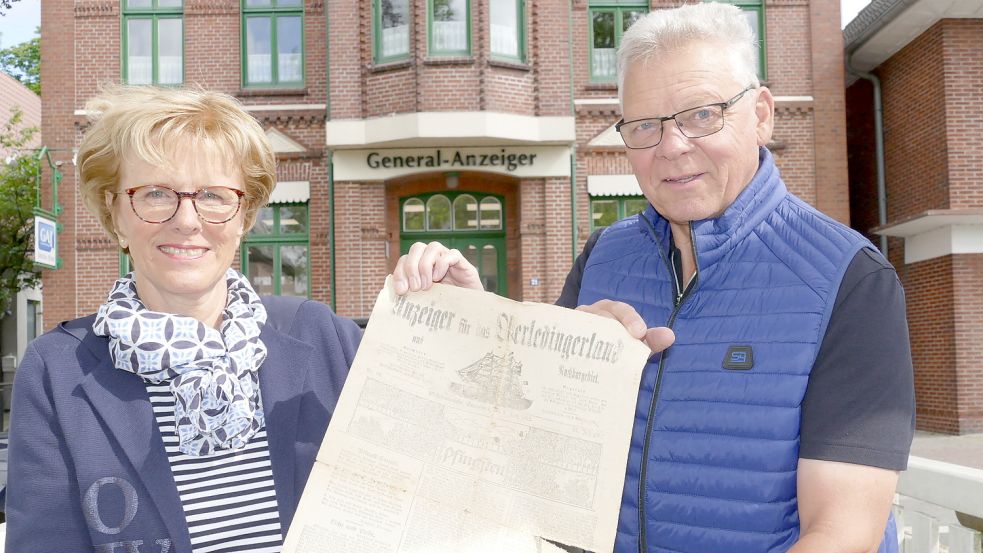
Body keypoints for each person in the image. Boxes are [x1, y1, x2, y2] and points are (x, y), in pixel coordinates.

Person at [4, 86, 482, 552]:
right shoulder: (59, 372)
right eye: (154, 194)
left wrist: (464, 333)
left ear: (244, 215)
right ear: (115, 211)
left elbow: (457, 465)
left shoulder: (321, 339)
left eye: (213, 196)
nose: (187, 220)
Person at [555, 3, 915, 553]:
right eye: (645, 125)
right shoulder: (603, 256)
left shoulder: (850, 280)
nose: (671, 146)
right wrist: (546, 354)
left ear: (762, 115)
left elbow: (844, 535)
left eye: (702, 114)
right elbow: (536, 445)